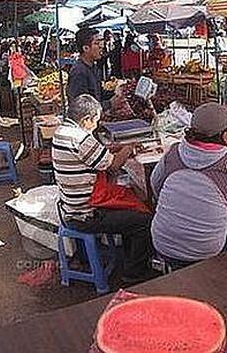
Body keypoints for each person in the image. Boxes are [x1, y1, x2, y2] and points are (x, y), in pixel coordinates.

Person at [52, 95, 153, 282]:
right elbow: (113, 166)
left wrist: (117, 147)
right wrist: (128, 147)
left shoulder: (62, 132)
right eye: (95, 121)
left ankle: (129, 259)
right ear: (86, 120)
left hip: (70, 207)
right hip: (86, 214)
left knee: (131, 205)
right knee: (144, 221)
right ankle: (133, 273)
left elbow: (98, 154)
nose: (96, 125)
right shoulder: (80, 138)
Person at [149, 103, 227, 269]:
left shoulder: (173, 153)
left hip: (163, 243)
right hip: (206, 251)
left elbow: (155, 184)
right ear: (225, 136)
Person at [67, 28, 104, 106]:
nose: (101, 46)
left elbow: (98, 94)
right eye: (97, 43)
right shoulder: (79, 72)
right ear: (86, 48)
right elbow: (81, 107)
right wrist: (110, 103)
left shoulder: (93, 67)